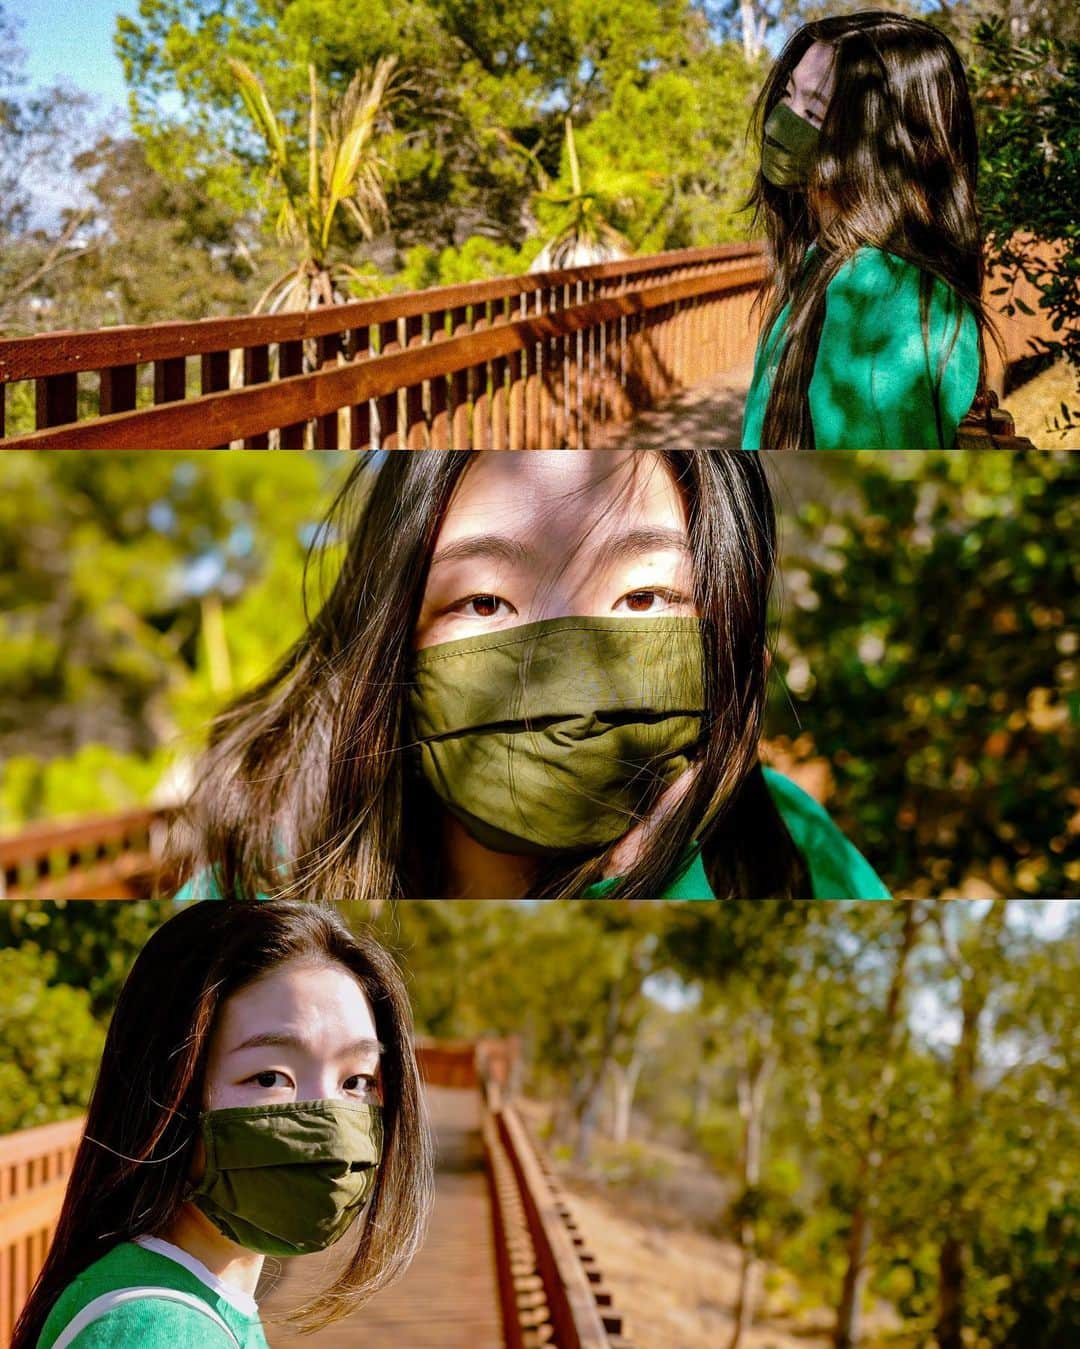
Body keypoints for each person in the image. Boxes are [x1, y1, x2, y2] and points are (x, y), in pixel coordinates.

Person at [170, 450, 889, 901]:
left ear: (727, 645)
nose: (567, 663)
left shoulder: (789, 842)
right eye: (484, 601)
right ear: (389, 643)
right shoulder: (255, 880)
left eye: (642, 597)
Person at [13, 902, 433, 1349]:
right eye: (269, 1077)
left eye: (356, 1081)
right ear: (168, 1091)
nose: (327, 1121)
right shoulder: (155, 1332)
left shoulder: (186, 1298)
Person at [740, 10, 997, 450]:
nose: (783, 121)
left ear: (884, 145)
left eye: (814, 112)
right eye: (787, 96)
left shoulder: (881, 291)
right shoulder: (825, 262)